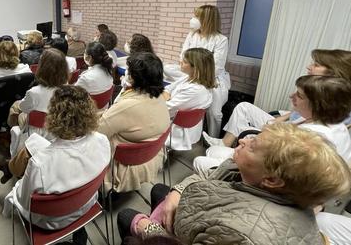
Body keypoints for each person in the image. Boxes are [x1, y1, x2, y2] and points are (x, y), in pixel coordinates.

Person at [118, 123, 351, 245]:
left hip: (181, 236)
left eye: (253, 145)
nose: (242, 139)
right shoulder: (251, 176)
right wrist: (178, 192)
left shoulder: (242, 235)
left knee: (128, 216)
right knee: (161, 190)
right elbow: (211, 175)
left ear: (271, 180)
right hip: (197, 218)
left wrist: (151, 229)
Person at [2, 85, 111, 245]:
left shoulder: (40, 164)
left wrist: (18, 185)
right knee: (34, 142)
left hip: (50, 222)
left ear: (53, 117)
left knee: (22, 178)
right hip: (87, 203)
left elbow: (26, 203)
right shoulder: (102, 141)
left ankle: (9, 167)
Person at [196, 75, 351, 173]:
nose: (291, 96)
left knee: (201, 160)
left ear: (319, 104)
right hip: (271, 161)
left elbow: (274, 168)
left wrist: (241, 155)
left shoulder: (317, 138)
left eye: (299, 95)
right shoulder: (314, 118)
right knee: (214, 151)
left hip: (272, 174)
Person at [99, 52, 170, 192]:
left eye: (129, 71)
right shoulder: (160, 97)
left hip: (122, 165)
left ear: (134, 77)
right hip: (152, 156)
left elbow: (98, 133)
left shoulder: (127, 106)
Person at [0, 49, 69, 182]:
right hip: (58, 130)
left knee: (17, 110)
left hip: (38, 133)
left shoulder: (34, 92)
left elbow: (24, 108)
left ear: (42, 68)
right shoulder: (68, 89)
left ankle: (10, 133)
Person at [163, 5, 230, 137]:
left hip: (211, 76)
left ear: (207, 19)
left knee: (215, 113)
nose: (193, 19)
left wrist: (197, 76)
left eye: (197, 16)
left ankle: (212, 138)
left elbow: (217, 66)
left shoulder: (221, 40)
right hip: (190, 70)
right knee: (167, 68)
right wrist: (190, 71)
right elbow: (183, 56)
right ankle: (184, 89)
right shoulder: (192, 35)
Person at [164, 48, 214, 150]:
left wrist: (165, 98)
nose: (180, 62)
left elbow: (165, 110)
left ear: (196, 68)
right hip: (169, 117)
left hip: (174, 130)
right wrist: (166, 96)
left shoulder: (196, 90)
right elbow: (168, 88)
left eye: (185, 61)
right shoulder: (189, 78)